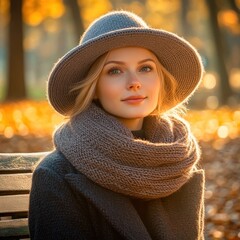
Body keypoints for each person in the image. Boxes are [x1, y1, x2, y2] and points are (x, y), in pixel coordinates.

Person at [29, 10, 205, 240]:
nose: (134, 83)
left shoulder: (177, 161)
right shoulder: (55, 175)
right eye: (114, 71)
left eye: (145, 68)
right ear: (92, 87)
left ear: (161, 79)